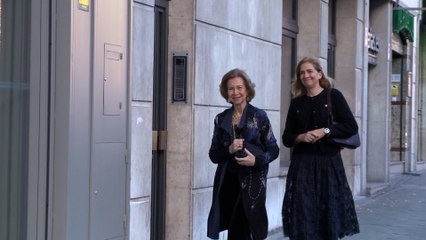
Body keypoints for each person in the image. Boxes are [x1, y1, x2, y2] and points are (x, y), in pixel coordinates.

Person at [281, 57, 360, 240]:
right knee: (303, 216)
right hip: (302, 166)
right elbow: (287, 138)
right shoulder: (296, 103)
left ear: (319, 74)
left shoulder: (333, 95)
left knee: (328, 216)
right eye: (301, 73)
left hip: (329, 165)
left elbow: (351, 126)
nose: (305, 75)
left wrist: (325, 130)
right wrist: (301, 137)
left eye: (309, 71)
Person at [207, 68, 280, 240]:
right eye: (231, 88)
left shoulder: (259, 116)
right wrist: (229, 150)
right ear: (226, 92)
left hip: (252, 181)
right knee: (235, 227)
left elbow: (274, 149)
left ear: (247, 89)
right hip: (228, 181)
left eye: (239, 87)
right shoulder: (221, 118)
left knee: (246, 226)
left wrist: (256, 160)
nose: (236, 92)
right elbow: (213, 155)